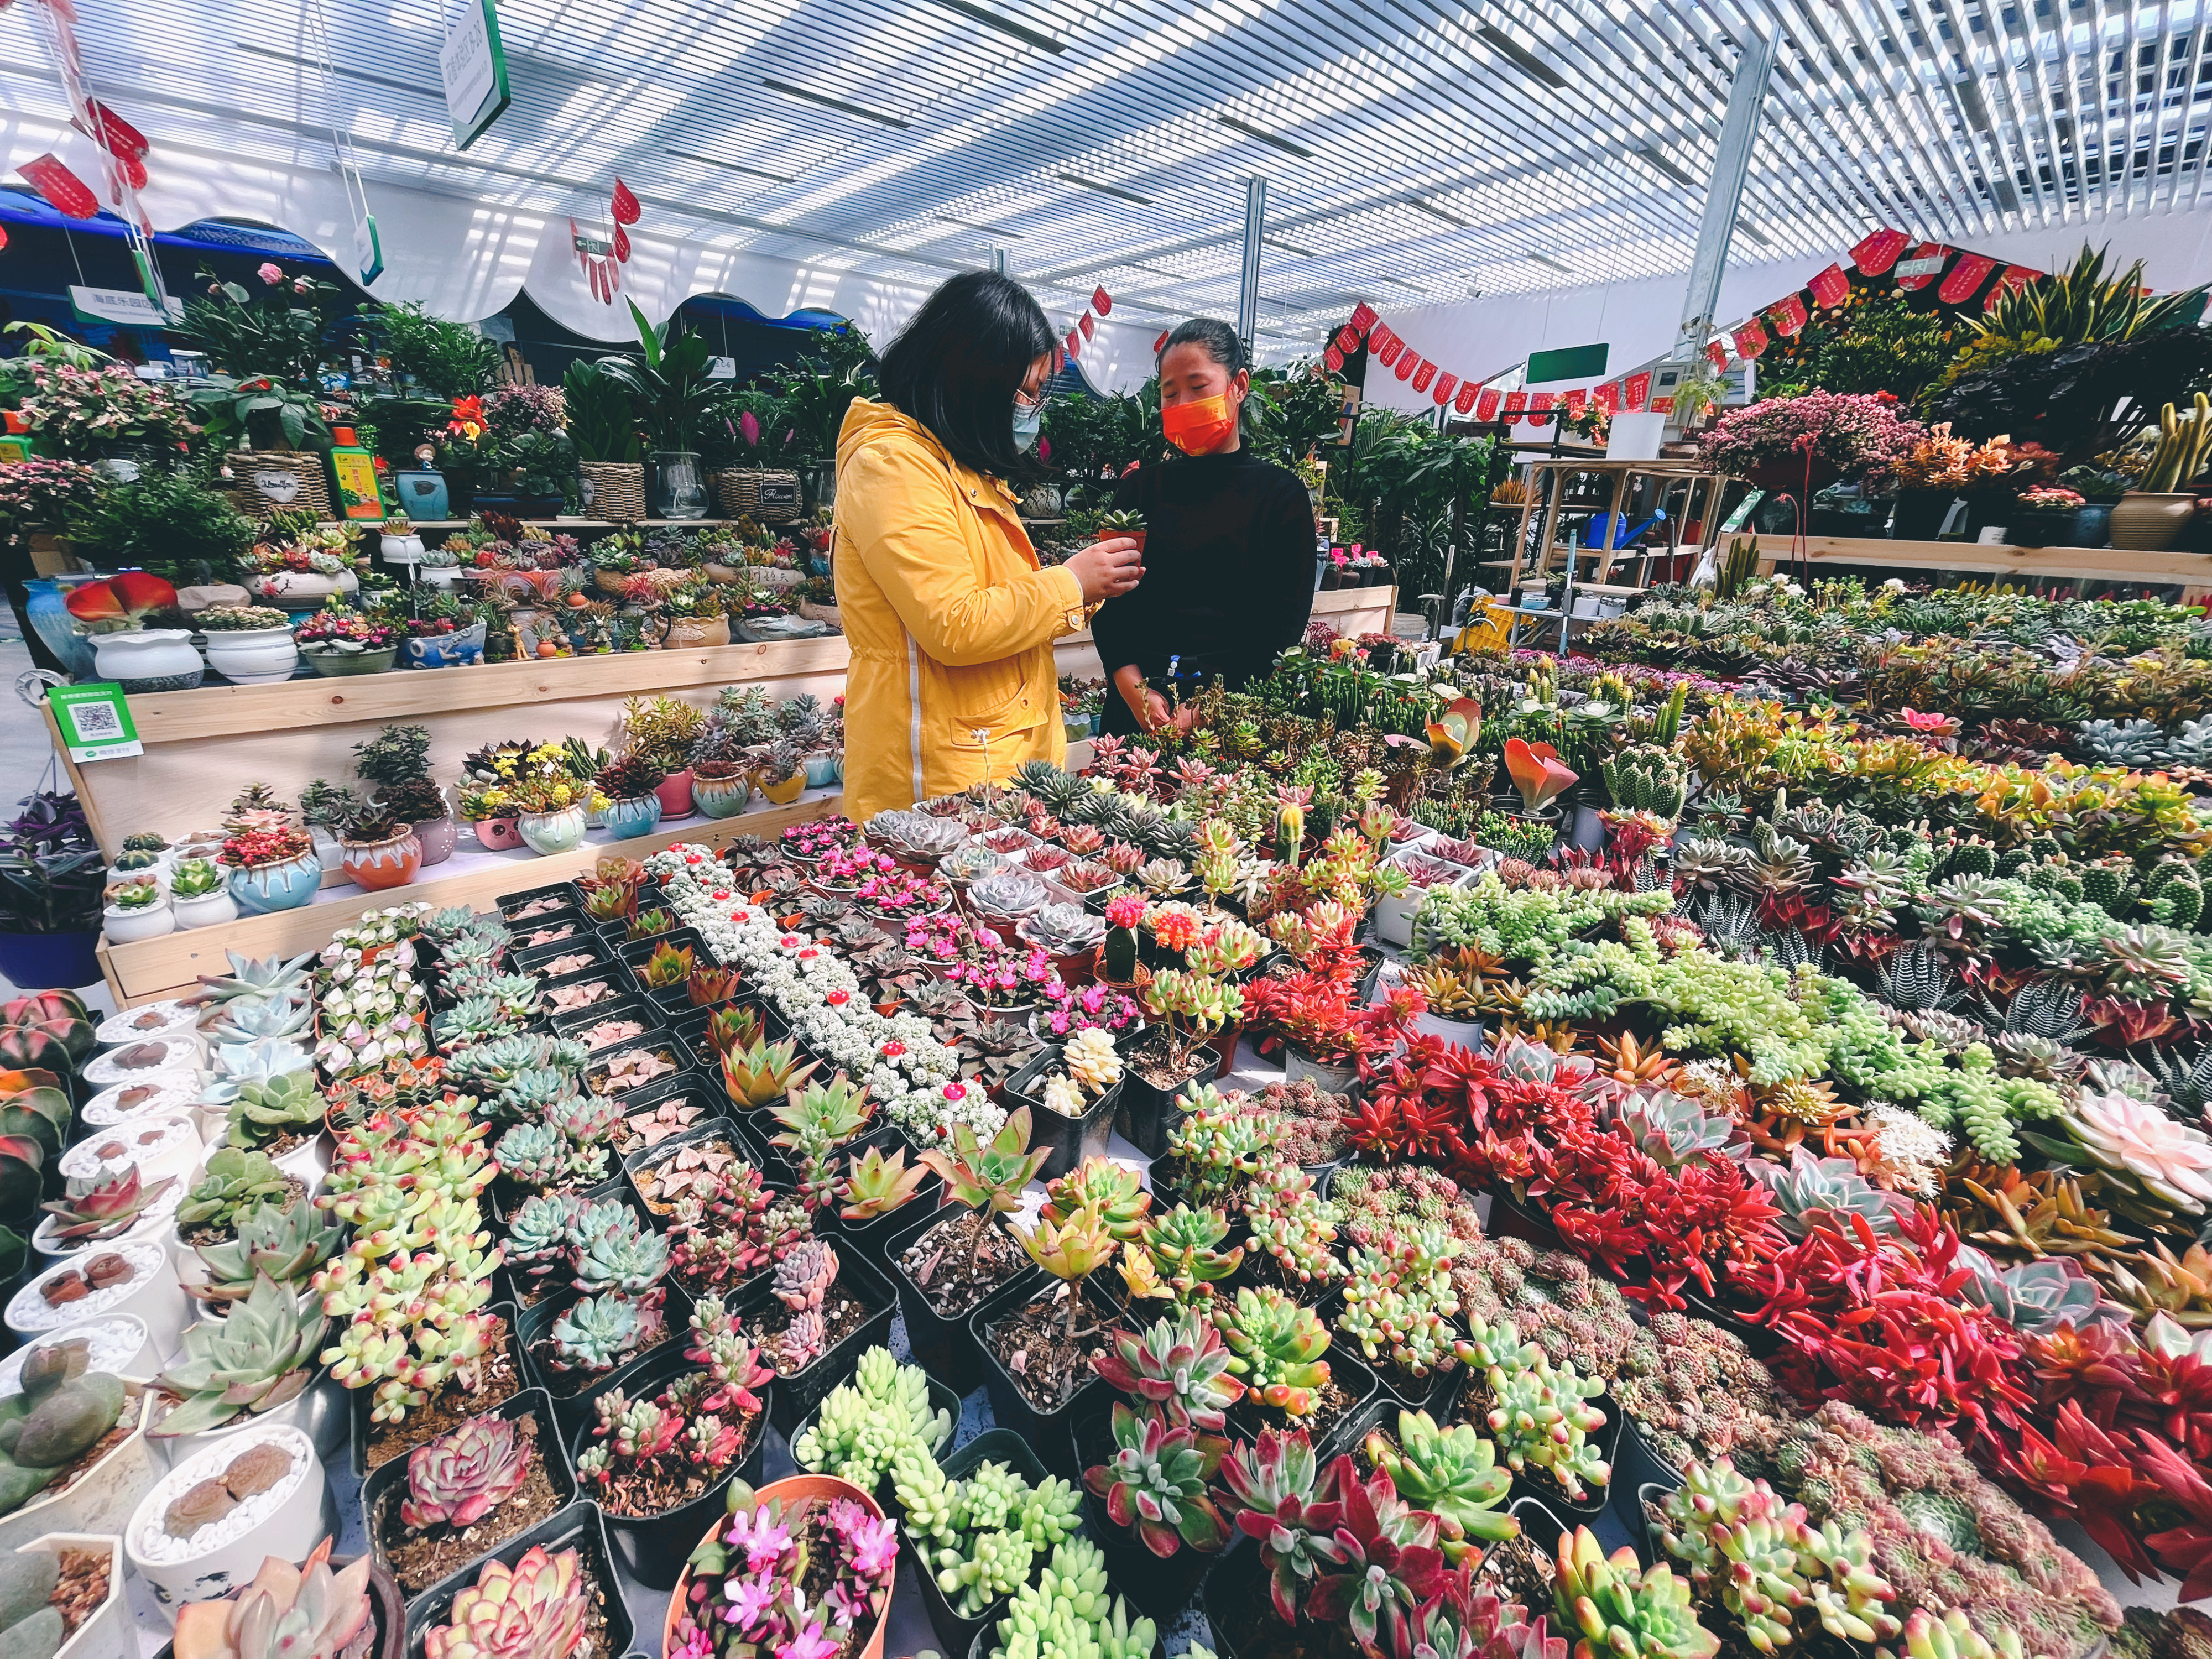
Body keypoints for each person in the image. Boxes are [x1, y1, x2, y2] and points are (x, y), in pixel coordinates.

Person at [833, 271, 1144, 821]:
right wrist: (1069, 583)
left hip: (984, 756)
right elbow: (953, 623)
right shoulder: (896, 465)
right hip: (938, 776)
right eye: (1024, 390)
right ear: (973, 377)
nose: (1029, 408)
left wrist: (1083, 587)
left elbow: (987, 593)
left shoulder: (954, 468)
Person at [1090, 318, 1317, 738]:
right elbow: (1108, 603)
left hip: (1231, 715)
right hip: (1138, 711)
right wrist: (1129, 683)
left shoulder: (1279, 498)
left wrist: (1210, 707)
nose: (1181, 404)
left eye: (1198, 387)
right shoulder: (1140, 491)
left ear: (1239, 385)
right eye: (1169, 393)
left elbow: (1281, 628)